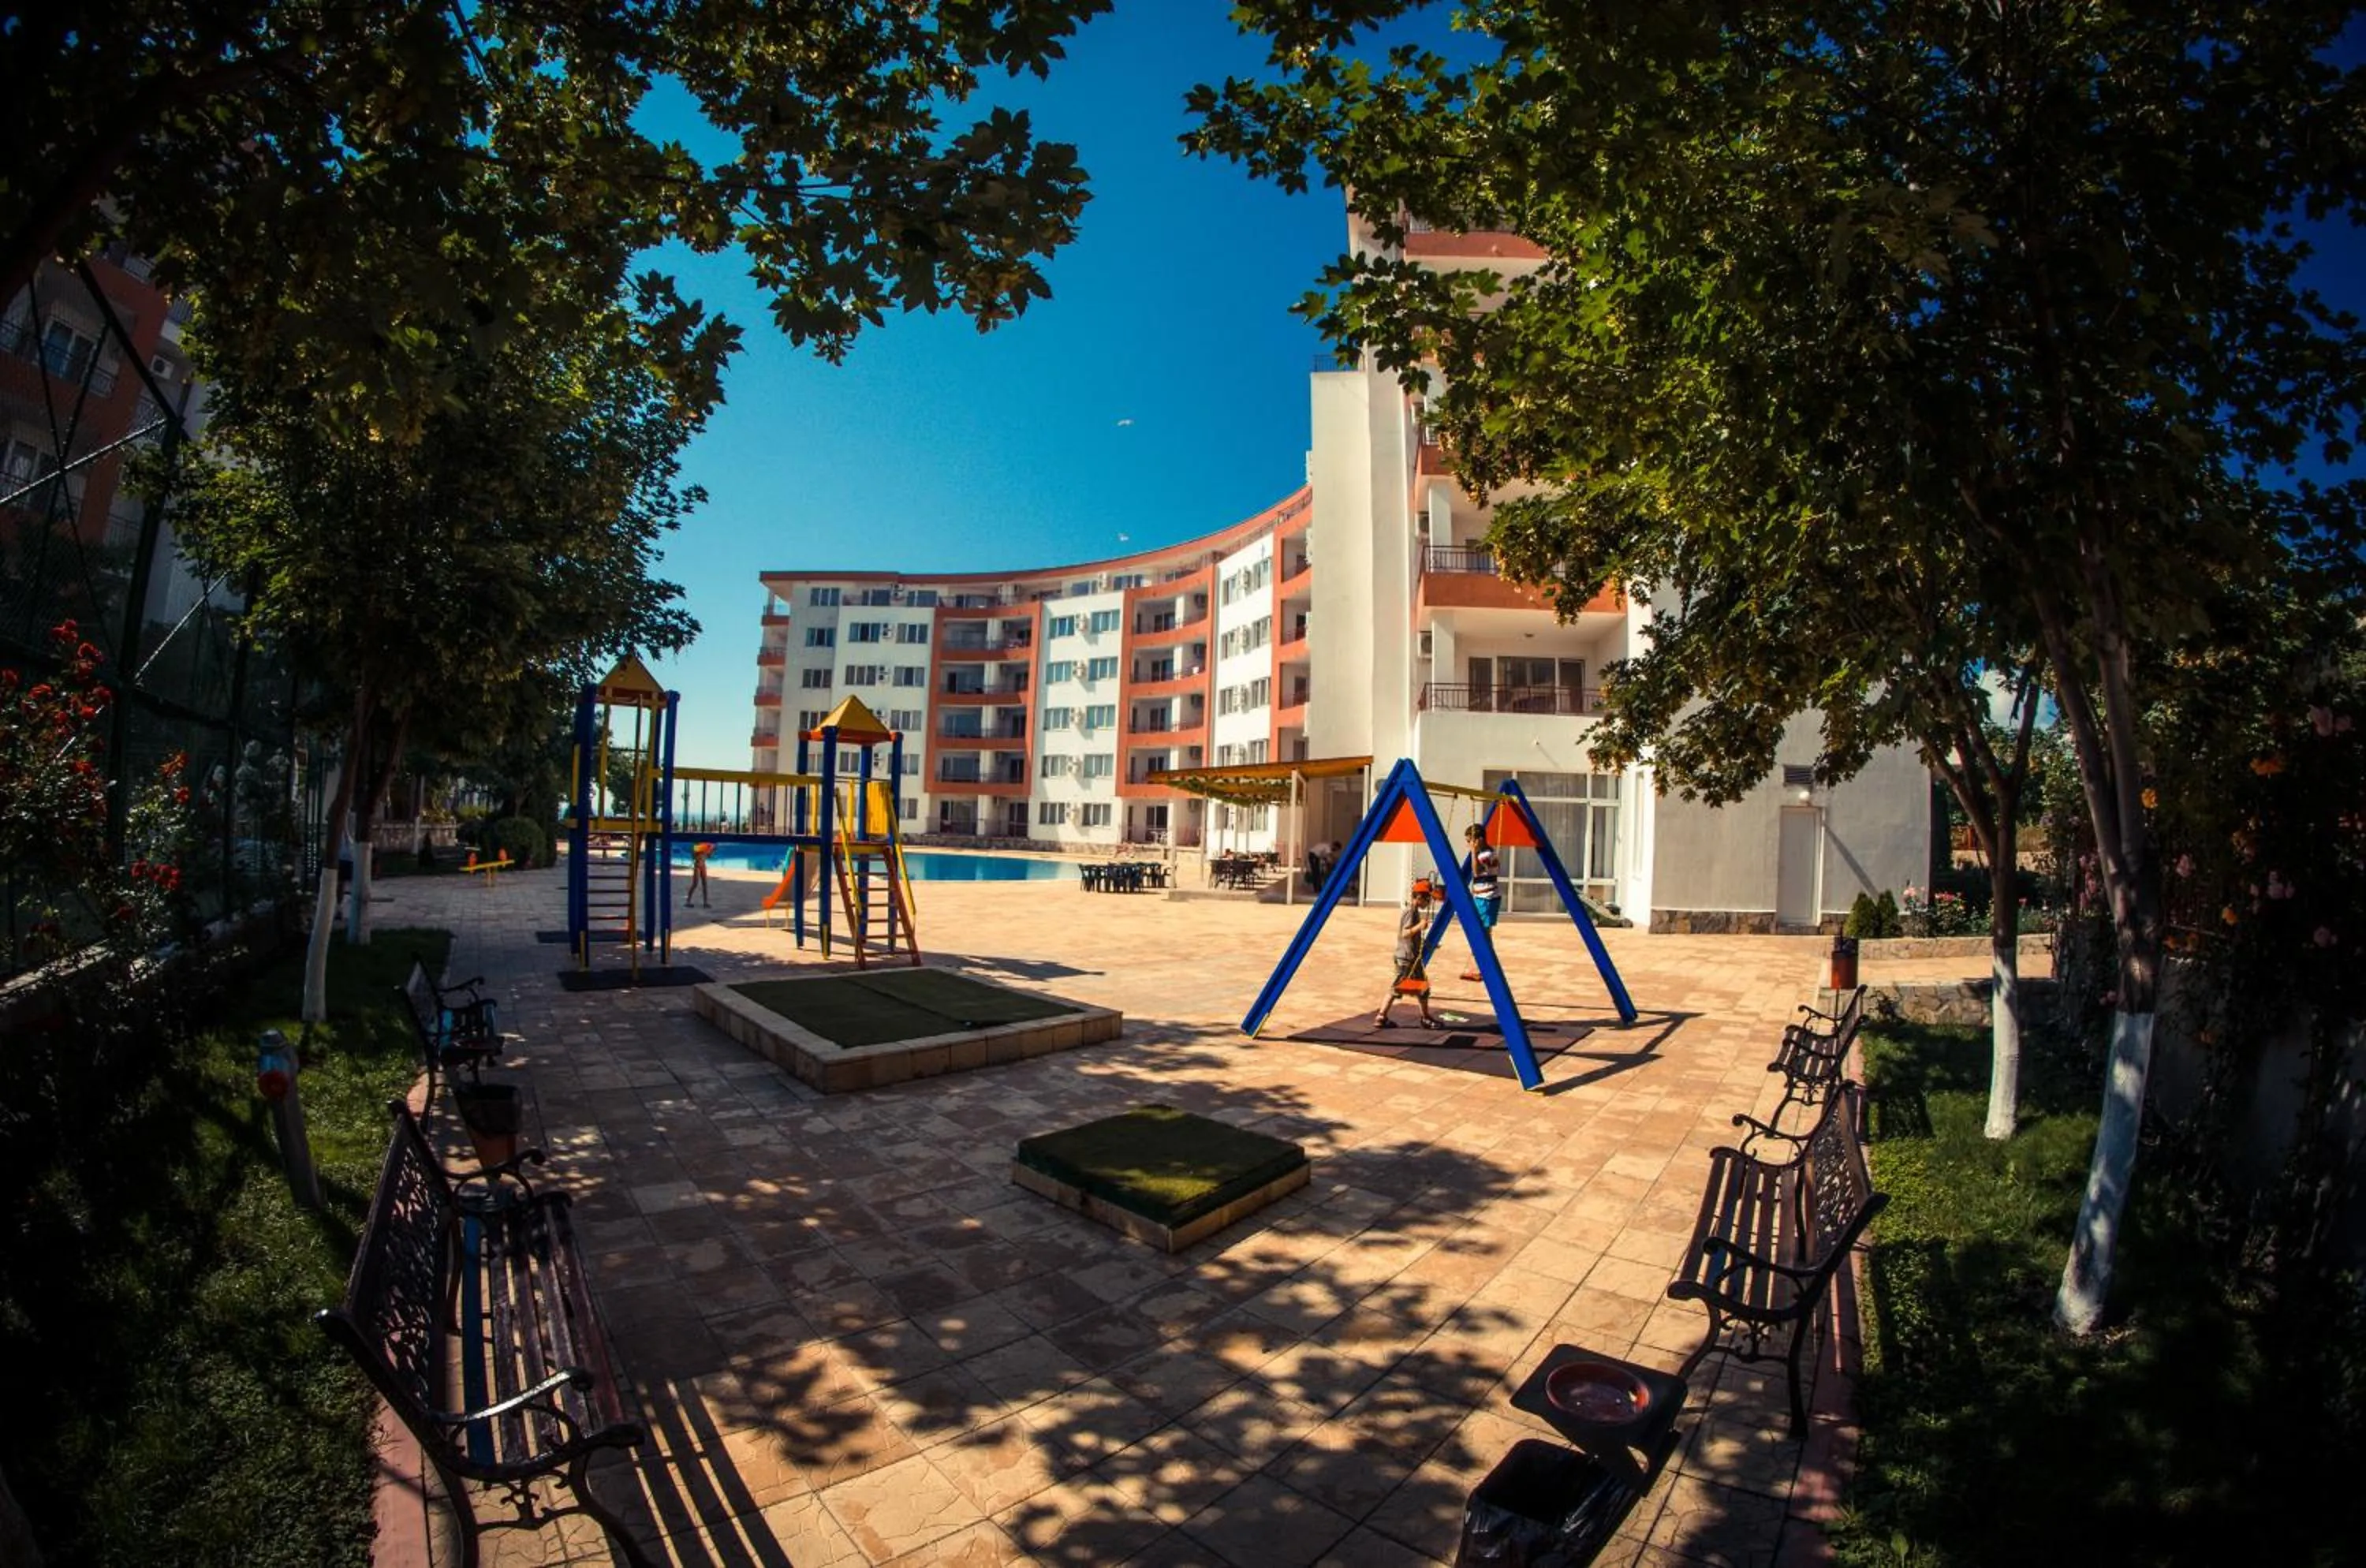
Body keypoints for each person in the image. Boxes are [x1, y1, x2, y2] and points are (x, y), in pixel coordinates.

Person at [1376, 878, 1439, 1029]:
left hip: (1412, 958)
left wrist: (1429, 945)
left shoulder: (1414, 911)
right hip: (1406, 959)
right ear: (1418, 897)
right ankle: (1381, 1016)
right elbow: (1404, 933)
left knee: (1422, 987)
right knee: (1397, 988)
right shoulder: (1410, 912)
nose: (1429, 902)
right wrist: (1420, 926)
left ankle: (1424, 1017)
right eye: (1427, 899)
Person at [1461, 822, 1502, 982]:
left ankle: (1485, 967)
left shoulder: (1484, 855)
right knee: (1484, 933)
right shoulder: (1489, 852)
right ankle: (1485, 966)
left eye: (1470, 840)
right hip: (1485, 897)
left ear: (1479, 840)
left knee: (1482, 933)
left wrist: (1472, 853)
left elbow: (1476, 872)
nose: (1468, 844)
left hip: (1487, 898)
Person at [686, 841, 714, 907]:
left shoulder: (706, 845)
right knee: (695, 884)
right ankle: (688, 902)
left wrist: (711, 851)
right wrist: (700, 852)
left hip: (703, 865)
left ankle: (705, 902)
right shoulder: (697, 846)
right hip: (697, 866)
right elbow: (694, 856)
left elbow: (709, 856)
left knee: (704, 884)